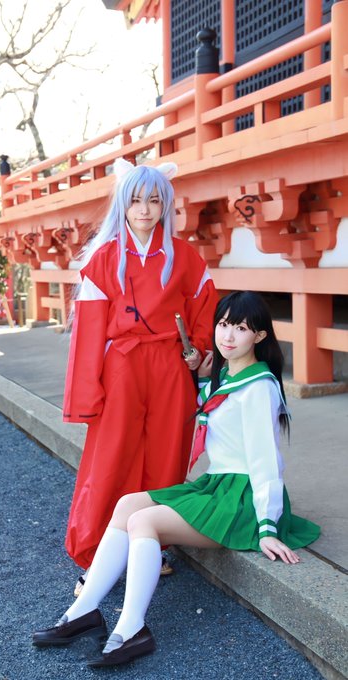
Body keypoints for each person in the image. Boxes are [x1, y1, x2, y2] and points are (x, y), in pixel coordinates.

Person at [33, 291, 320, 667]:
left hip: (243, 499)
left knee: (143, 521)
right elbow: (215, 412)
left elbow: (266, 461)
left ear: (260, 336)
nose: (228, 335)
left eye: (241, 328)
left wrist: (267, 527)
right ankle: (83, 611)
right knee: (128, 504)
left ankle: (132, 628)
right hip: (218, 486)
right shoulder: (228, 376)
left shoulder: (258, 386)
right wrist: (200, 377)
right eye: (223, 324)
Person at [62, 158, 218, 591]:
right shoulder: (104, 258)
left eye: (154, 200)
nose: (145, 209)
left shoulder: (185, 258)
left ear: (166, 205)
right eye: (135, 200)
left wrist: (199, 350)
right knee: (111, 458)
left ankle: (150, 544)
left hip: (170, 367)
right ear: (122, 205)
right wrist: (86, 393)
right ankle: (96, 554)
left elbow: (204, 311)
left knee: (167, 456)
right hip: (122, 368)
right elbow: (89, 333)